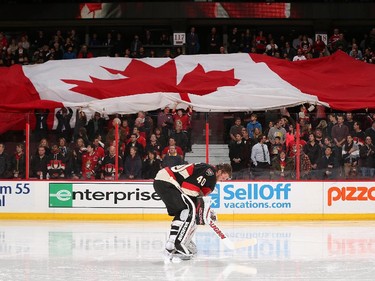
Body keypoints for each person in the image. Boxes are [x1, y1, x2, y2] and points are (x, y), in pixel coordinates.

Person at [153, 162, 232, 260]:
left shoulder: (209, 175)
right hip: (168, 180)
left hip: (164, 180)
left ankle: (172, 242)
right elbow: (189, 188)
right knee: (189, 209)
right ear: (220, 171)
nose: (222, 180)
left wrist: (207, 210)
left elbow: (199, 196)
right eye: (223, 177)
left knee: (183, 210)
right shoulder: (210, 172)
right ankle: (178, 244)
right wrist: (202, 208)